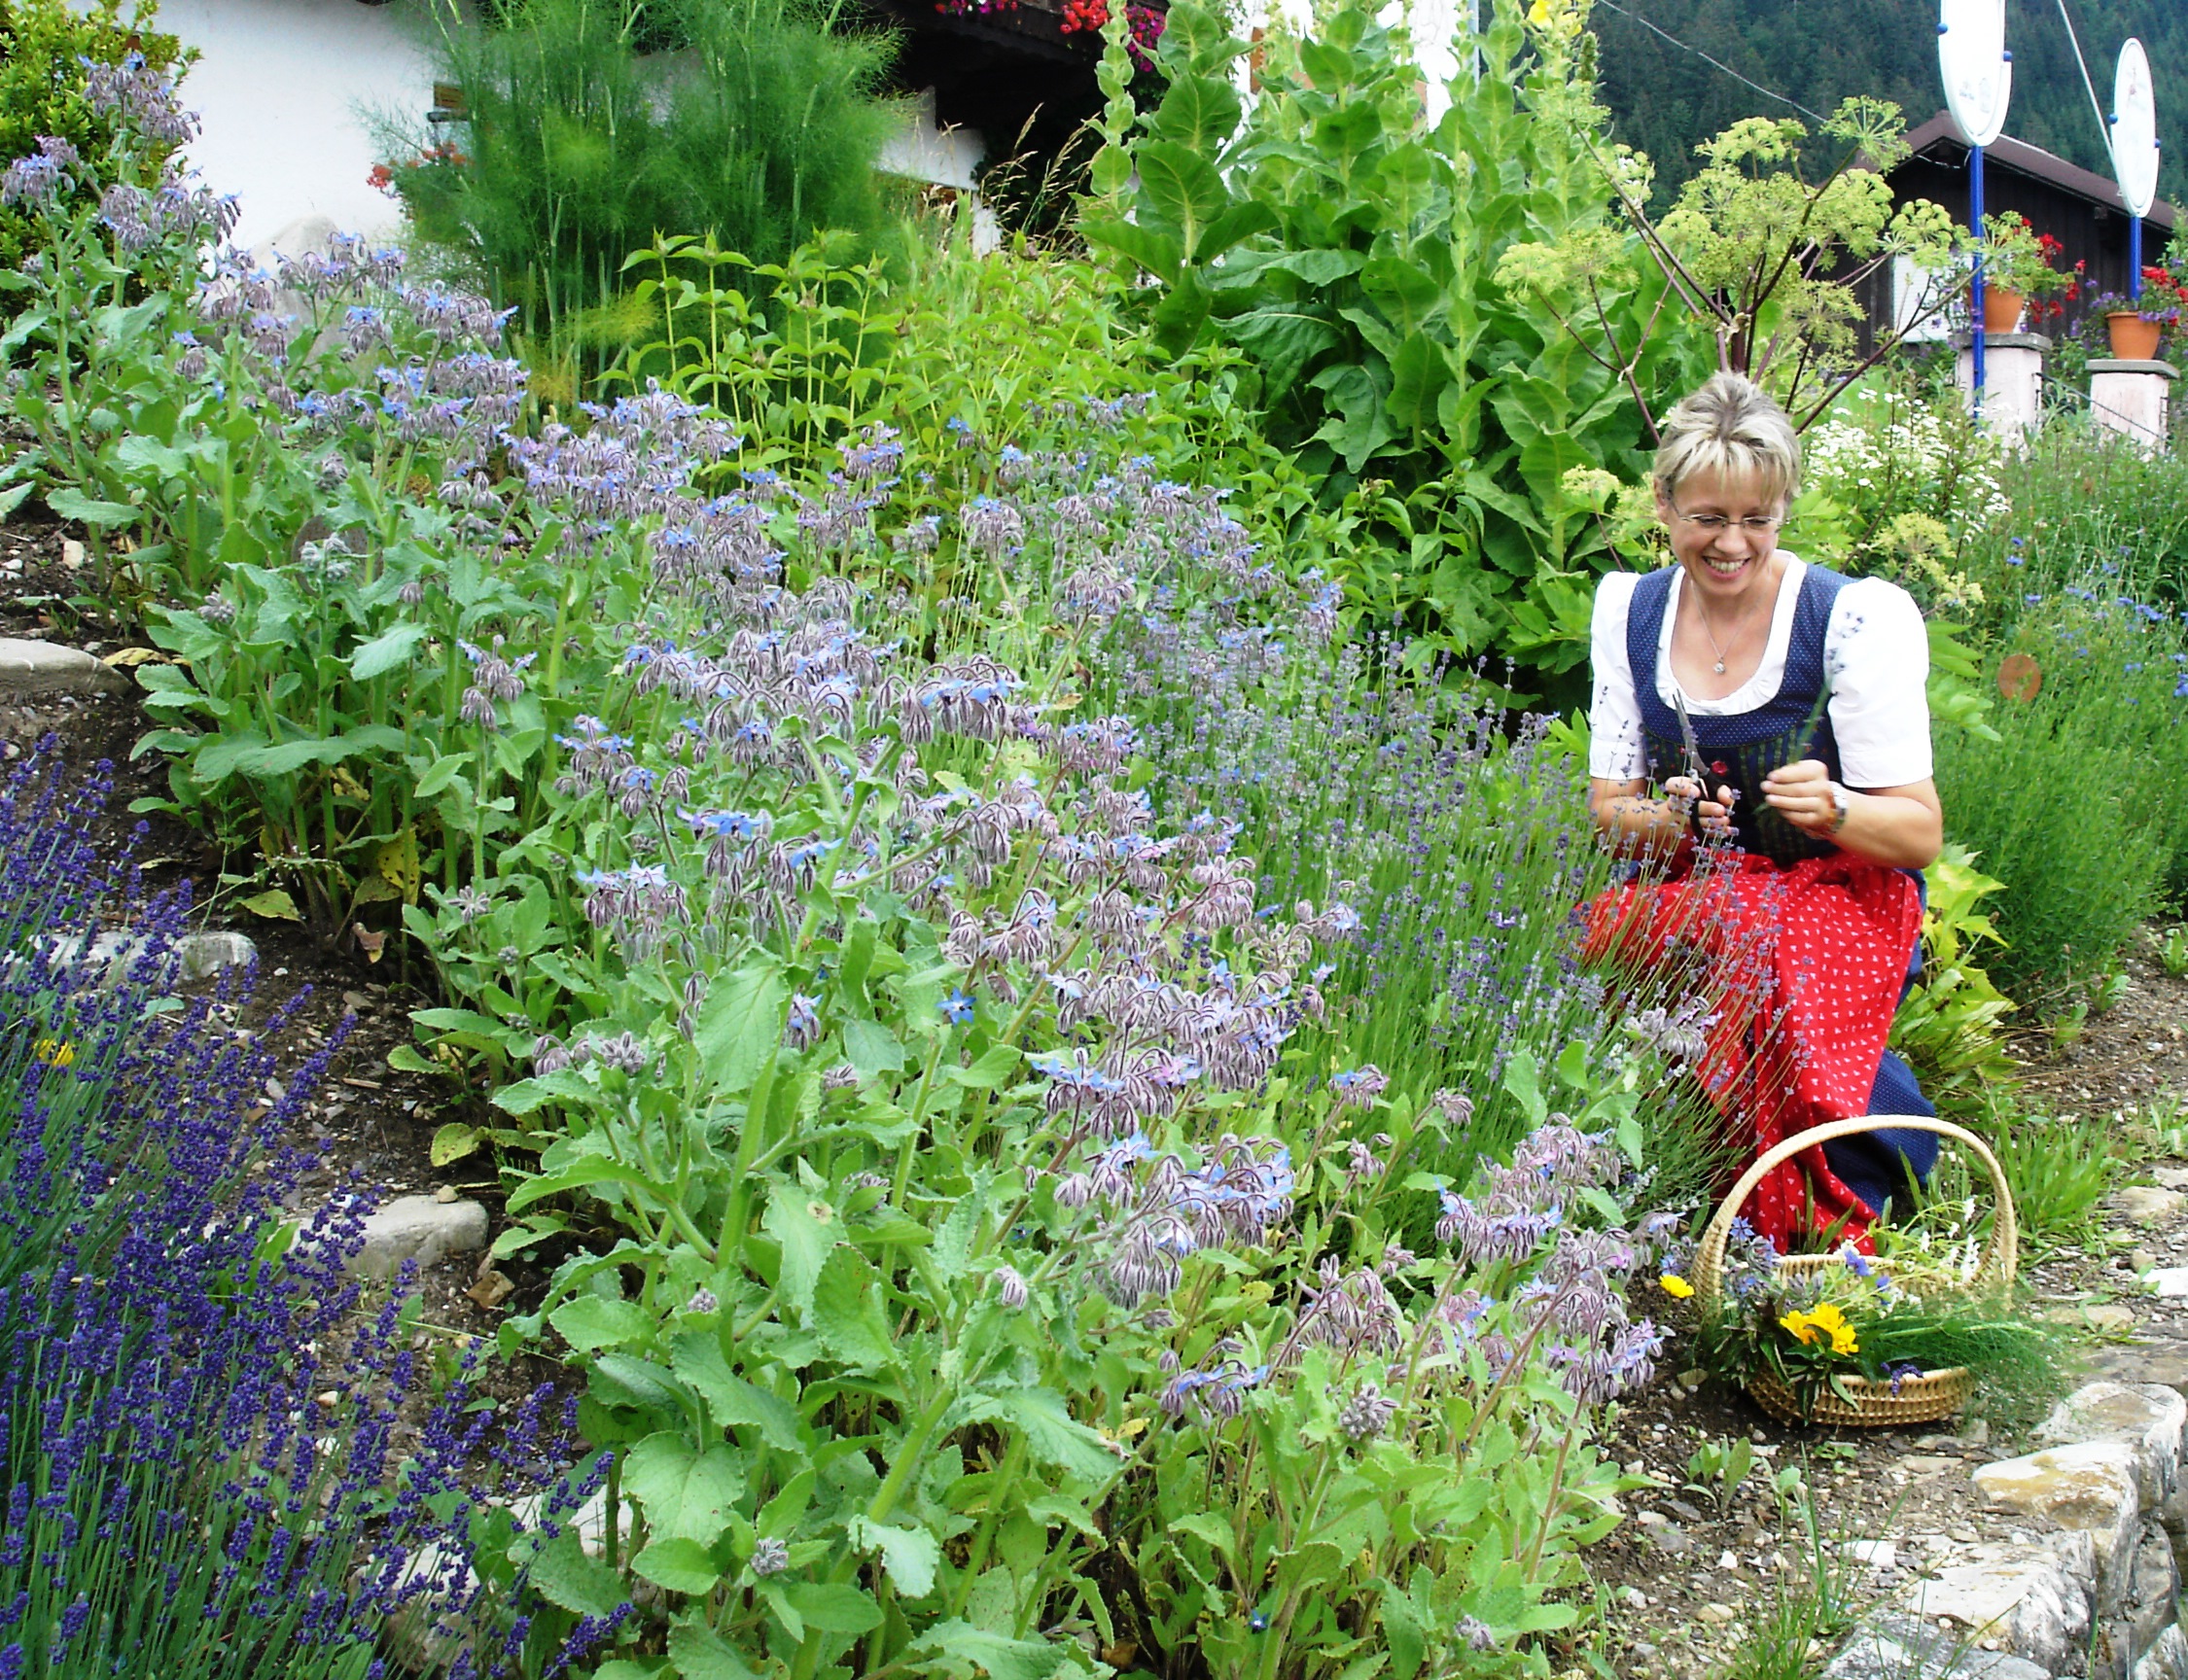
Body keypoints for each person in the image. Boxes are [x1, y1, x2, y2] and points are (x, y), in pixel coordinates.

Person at [1581, 373, 1944, 1250]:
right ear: (1663, 504)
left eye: (1758, 519)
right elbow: (1609, 808)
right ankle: (1703, 1186)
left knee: (1762, 957)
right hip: (1694, 885)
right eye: (1708, 517)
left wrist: (1836, 809)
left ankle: (1853, 1176)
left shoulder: (1853, 618)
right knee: (1612, 933)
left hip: (1835, 895)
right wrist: (1662, 821)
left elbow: (1919, 834)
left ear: (1783, 508)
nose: (1733, 543)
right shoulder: (1628, 609)